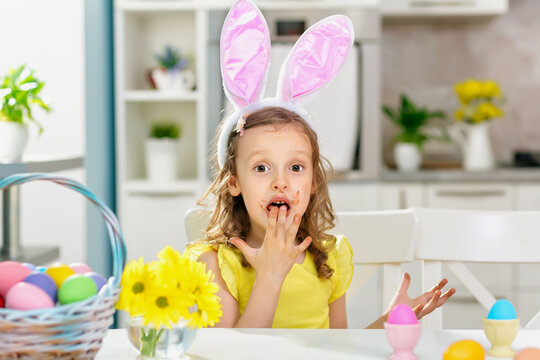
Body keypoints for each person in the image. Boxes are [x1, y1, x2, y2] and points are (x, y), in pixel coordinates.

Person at [188, 0, 455, 329]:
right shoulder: (213, 262)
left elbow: (338, 347)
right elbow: (231, 354)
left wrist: (388, 324)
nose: (281, 182)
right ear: (233, 181)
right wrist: (270, 275)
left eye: (296, 168)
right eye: (261, 168)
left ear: (313, 181)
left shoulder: (329, 257)